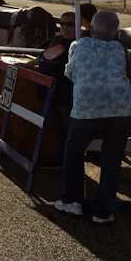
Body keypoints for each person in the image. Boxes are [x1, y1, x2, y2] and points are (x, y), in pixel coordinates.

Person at [54, 11, 131, 224]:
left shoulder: (78, 46)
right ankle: (103, 210)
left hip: (88, 108)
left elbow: (70, 73)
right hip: (122, 108)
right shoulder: (120, 48)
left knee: (74, 150)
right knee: (112, 157)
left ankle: (72, 200)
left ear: (91, 28)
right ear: (115, 31)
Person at [39, 12, 78, 159]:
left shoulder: (79, 44)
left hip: (66, 95)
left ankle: (67, 162)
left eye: (69, 24)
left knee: (66, 131)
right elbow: (43, 58)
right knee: (55, 129)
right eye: (62, 23)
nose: (64, 27)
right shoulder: (56, 39)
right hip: (49, 93)